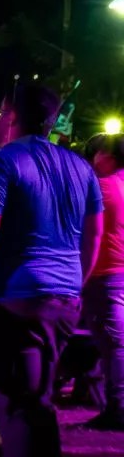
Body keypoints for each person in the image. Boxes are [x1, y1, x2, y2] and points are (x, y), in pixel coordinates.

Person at [0, 78, 97, 457]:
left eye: (0, 113)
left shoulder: (3, 162)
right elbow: (93, 233)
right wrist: (74, 281)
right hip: (63, 294)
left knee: (16, 404)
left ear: (11, 116)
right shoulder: (82, 167)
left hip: (13, 296)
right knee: (37, 399)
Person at [80, 136, 124, 430]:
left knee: (114, 345)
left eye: (96, 153)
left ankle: (118, 408)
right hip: (120, 272)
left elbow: (86, 233)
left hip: (105, 273)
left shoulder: (103, 188)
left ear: (107, 154)